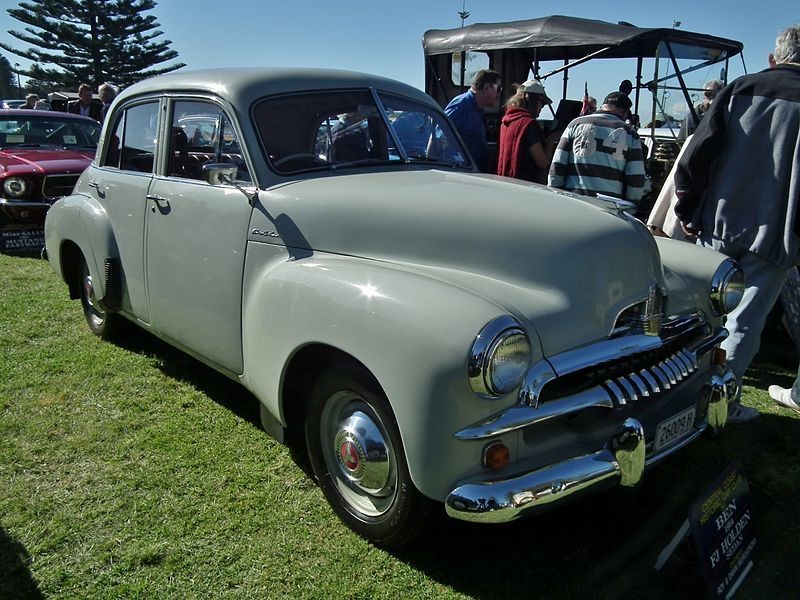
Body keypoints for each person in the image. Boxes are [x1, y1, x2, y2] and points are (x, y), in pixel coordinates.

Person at [674, 24, 800, 422]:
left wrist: (687, 209)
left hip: (719, 221)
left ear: (773, 57)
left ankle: (680, 396)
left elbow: (697, 155)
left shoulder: (740, 88)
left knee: (702, 314)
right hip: (776, 232)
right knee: (744, 322)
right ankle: (719, 404)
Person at [547, 91, 645, 205]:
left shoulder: (574, 125)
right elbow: (636, 180)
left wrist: (556, 197)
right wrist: (630, 205)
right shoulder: (630, 134)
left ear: (603, 105)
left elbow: (557, 168)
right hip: (609, 208)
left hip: (573, 202)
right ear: (624, 112)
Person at [443, 69, 501, 172]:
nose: (499, 95)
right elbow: (439, 137)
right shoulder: (461, 105)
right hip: (460, 176)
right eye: (498, 89)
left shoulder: (478, 110)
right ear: (486, 87)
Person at [496, 79, 552, 183]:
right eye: (542, 103)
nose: (542, 107)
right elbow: (543, 162)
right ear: (532, 100)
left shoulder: (506, 121)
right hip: (524, 185)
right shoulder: (529, 124)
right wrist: (551, 140)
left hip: (505, 182)